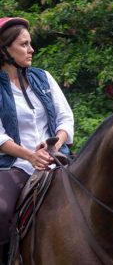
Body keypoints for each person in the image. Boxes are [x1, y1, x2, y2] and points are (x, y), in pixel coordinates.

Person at [0, 17, 74, 264]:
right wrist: (30, 155)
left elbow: (65, 117)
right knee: (0, 211)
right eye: (24, 45)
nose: (31, 50)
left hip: (57, 160)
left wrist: (54, 144)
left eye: (30, 43)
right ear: (4, 50)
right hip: (14, 166)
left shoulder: (44, 77)